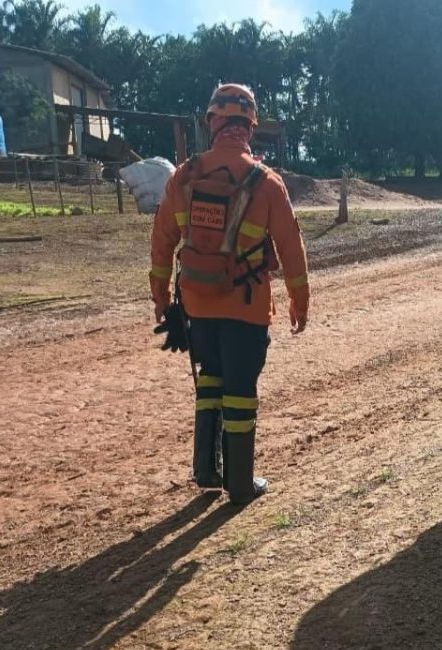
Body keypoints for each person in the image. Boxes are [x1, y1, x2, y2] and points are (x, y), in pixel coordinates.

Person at [150, 83, 310, 505]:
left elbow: (162, 243)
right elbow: (291, 249)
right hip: (247, 306)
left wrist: (161, 298)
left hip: (197, 304)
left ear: (212, 123)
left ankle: (207, 470)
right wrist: (300, 299)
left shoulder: (182, 177)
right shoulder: (267, 183)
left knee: (211, 380)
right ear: (250, 127)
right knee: (240, 388)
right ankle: (239, 483)